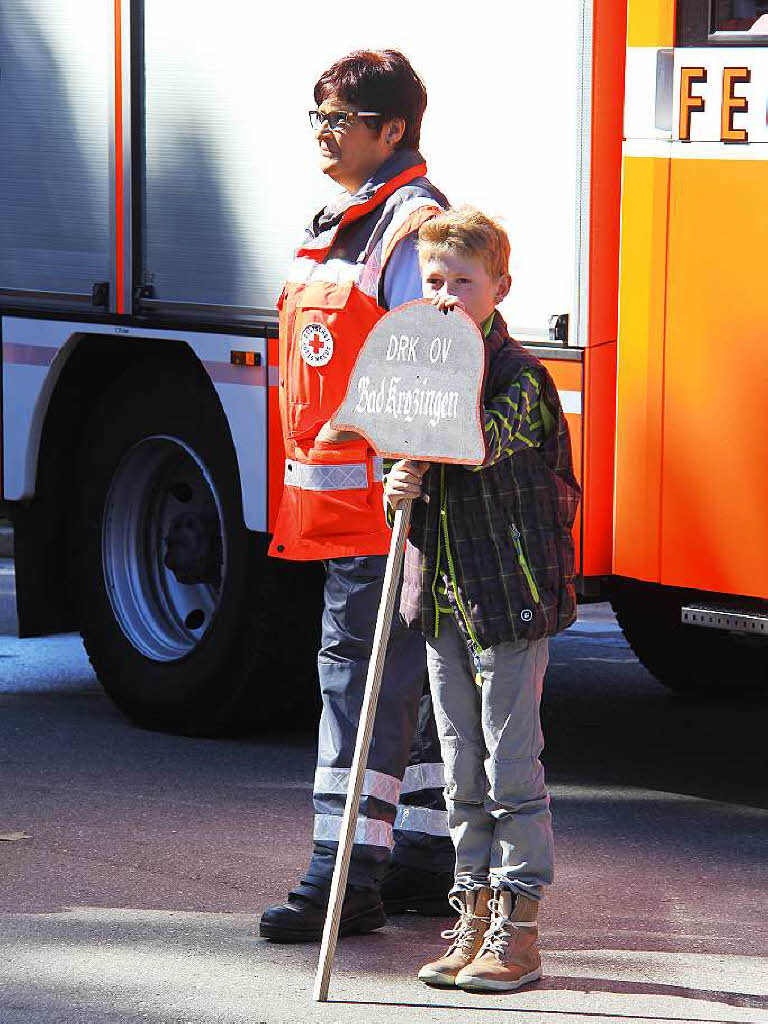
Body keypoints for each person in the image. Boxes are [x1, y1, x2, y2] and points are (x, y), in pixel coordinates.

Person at [259, 50, 455, 943]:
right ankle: (420, 858)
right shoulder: (344, 221)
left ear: (393, 129)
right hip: (351, 511)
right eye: (319, 116)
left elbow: (431, 367)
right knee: (396, 687)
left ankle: (341, 876)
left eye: (339, 118)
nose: (324, 133)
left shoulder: (409, 226)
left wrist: (405, 478)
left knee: (360, 690)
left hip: (391, 512)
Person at [384, 208, 581, 991]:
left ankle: (519, 931)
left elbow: (479, 444)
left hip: (509, 605)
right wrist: (394, 486)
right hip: (441, 604)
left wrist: (418, 438)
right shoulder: (420, 375)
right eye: (433, 281)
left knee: (510, 770)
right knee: (460, 770)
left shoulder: (520, 379)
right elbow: (413, 489)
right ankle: (469, 915)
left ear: (498, 287)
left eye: (461, 281)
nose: (445, 294)